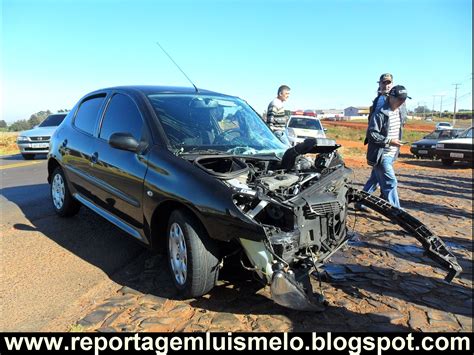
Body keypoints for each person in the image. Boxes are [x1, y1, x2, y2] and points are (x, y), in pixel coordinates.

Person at [362, 85, 411, 209]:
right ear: (391, 98)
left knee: (375, 180)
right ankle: (397, 211)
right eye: (400, 99)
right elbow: (372, 134)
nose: (402, 102)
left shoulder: (399, 112)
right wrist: (389, 141)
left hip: (391, 154)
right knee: (390, 182)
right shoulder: (380, 114)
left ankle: (361, 202)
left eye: (404, 99)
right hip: (381, 154)